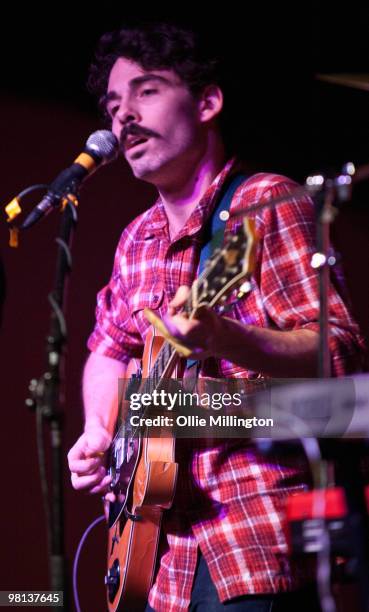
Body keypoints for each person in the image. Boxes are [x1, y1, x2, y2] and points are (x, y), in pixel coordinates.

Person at [67, 22, 366, 611]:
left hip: (251, 536)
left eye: (146, 91)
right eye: (112, 103)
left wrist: (225, 335)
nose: (122, 115)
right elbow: (107, 349)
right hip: (157, 561)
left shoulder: (265, 204)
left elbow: (342, 356)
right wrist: (101, 431)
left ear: (206, 102)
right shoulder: (137, 239)